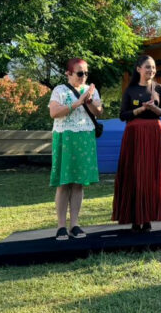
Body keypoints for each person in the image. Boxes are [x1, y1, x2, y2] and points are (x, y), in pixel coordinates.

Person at [112, 55, 161, 232]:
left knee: (151, 175)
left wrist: (153, 109)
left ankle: (149, 218)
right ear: (138, 69)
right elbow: (123, 115)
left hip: (154, 134)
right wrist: (141, 109)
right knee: (135, 174)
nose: (151, 70)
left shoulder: (159, 88)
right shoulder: (130, 90)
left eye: (153, 67)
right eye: (147, 67)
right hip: (134, 135)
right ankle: (135, 218)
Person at [48, 58, 102, 241]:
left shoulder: (91, 91)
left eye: (86, 73)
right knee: (64, 183)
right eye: (80, 73)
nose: (83, 76)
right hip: (65, 137)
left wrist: (88, 101)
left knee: (78, 183)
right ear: (68, 73)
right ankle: (61, 226)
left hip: (85, 136)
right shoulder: (60, 90)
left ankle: (75, 224)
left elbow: (99, 112)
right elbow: (54, 113)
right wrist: (77, 103)